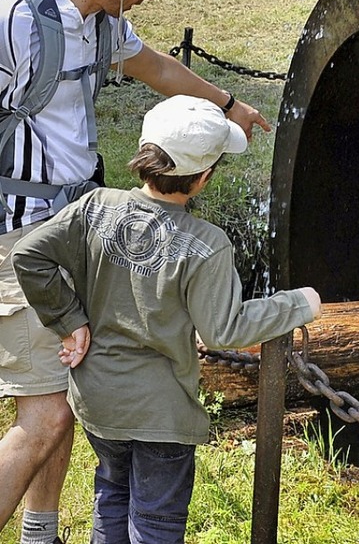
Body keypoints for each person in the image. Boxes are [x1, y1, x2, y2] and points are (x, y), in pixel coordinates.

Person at [0, 0, 270, 542]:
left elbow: (156, 69)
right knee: (42, 419)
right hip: (20, 238)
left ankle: (41, 532)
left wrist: (227, 103)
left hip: (74, 231)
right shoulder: (14, 20)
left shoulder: (95, 23)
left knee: (61, 401)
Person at [11, 94, 321, 543]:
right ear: (202, 179)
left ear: (143, 153)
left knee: (112, 495)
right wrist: (298, 304)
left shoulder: (94, 207)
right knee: (155, 523)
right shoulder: (208, 244)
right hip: (162, 416)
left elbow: (29, 254)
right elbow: (223, 329)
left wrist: (69, 318)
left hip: (98, 402)